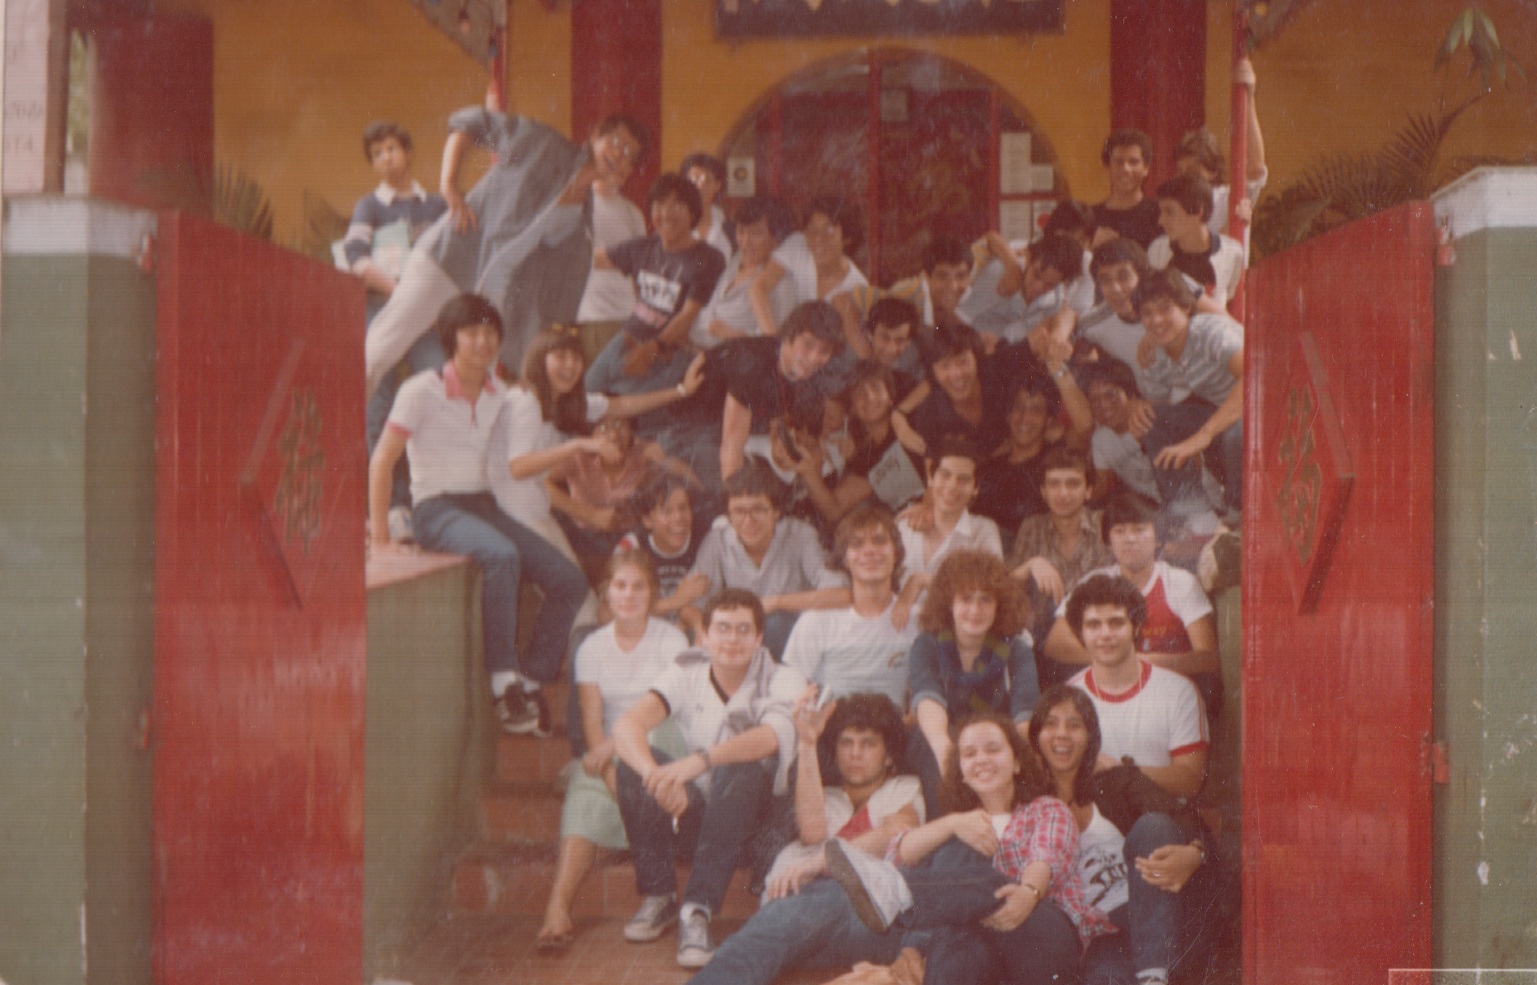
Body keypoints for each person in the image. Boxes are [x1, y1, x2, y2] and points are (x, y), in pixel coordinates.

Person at [485, 328, 708, 732]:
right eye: (559, 356)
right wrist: (579, 446)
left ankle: (534, 685)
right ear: (539, 359)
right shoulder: (526, 402)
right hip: (514, 517)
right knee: (578, 598)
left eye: (575, 358)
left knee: (584, 604)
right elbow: (518, 467)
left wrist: (680, 390)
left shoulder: (562, 404)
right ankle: (531, 688)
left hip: (537, 514)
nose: (569, 365)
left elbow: (621, 404)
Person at [368, 295, 556, 736]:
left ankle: (529, 682)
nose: (483, 342)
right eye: (472, 332)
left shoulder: (501, 395)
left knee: (566, 579)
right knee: (502, 555)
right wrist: (380, 538)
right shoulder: (420, 390)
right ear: (451, 339)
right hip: (436, 508)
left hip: (484, 505)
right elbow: (382, 461)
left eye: (490, 333)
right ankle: (503, 686)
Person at [364, 110, 649, 395]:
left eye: (629, 155)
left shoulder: (580, 222)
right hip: (452, 257)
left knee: (474, 393)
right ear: (596, 135)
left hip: (491, 299)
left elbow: (555, 296)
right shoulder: (543, 143)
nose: (619, 155)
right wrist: (449, 185)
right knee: (378, 352)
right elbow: (470, 122)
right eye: (615, 142)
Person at [823, 711, 1114, 985]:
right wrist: (952, 823)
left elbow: (1047, 859)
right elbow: (900, 852)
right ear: (961, 770)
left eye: (993, 749)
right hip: (981, 943)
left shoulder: (1046, 809)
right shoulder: (959, 827)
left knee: (989, 884)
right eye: (970, 754)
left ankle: (899, 888)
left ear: (1016, 762)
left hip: (1044, 933)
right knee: (958, 927)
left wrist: (1028, 891)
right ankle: (897, 889)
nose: (982, 759)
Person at [613, 588, 804, 968]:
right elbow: (627, 725)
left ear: (759, 637)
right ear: (704, 635)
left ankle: (697, 910)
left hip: (757, 826)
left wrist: (699, 762)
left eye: (743, 630)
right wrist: (658, 780)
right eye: (722, 628)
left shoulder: (784, 677)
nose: (732, 639)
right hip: (704, 818)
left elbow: (769, 738)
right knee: (633, 765)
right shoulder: (687, 670)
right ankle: (660, 896)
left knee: (740, 763)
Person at [683, 691, 923, 985]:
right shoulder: (825, 797)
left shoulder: (903, 789)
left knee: (826, 895)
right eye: (846, 743)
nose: (855, 753)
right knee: (778, 927)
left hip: (868, 920)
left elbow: (898, 829)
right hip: (801, 923)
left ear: (889, 756)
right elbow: (812, 831)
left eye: (868, 743)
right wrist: (807, 743)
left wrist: (822, 861)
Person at [536, 551, 691, 952]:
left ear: (653, 593)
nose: (629, 595)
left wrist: (611, 748)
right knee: (586, 791)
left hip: (659, 743)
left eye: (639, 586)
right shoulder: (592, 647)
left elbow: (664, 712)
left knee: (632, 749)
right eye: (620, 586)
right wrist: (609, 775)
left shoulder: (671, 640)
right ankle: (557, 907)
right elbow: (592, 722)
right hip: (612, 755)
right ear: (606, 591)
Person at [1032, 685, 1227, 985]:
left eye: (1074, 725)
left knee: (1153, 825)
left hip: (1156, 913)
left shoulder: (1117, 783)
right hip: (1103, 933)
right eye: (1051, 723)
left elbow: (1189, 822)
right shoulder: (1026, 806)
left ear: (1091, 737)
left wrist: (1195, 853)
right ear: (1036, 736)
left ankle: (1154, 974)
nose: (1062, 734)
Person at [351, 121, 452, 542]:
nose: (385, 159)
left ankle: (430, 498)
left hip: (427, 318)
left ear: (408, 152)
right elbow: (355, 256)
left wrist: (428, 302)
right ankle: (391, 507)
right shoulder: (370, 207)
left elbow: (455, 255)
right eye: (376, 154)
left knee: (437, 388)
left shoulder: (436, 206)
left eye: (391, 149)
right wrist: (401, 292)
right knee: (379, 405)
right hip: (384, 309)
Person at [1042, 493, 1222, 717]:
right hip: (1113, 689)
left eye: (1139, 530)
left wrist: (1141, 662)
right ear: (1109, 542)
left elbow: (1207, 658)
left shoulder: (1180, 582)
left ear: (1158, 538)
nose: (1129, 539)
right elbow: (1055, 644)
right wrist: (1113, 659)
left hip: (1167, 696)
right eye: (1119, 531)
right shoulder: (1095, 582)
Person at [584, 173, 727, 435]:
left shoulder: (708, 257)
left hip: (667, 351)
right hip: (626, 339)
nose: (666, 214)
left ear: (693, 212)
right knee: (584, 397)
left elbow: (687, 315)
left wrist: (652, 350)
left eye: (677, 205)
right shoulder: (643, 247)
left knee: (628, 417)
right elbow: (592, 259)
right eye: (659, 205)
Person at [906, 550, 1038, 819]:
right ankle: (946, 827)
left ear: (999, 604)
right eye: (966, 599)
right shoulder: (927, 645)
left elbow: (1023, 721)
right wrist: (954, 770)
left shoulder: (1016, 649)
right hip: (945, 749)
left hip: (997, 749)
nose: (975, 611)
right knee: (923, 739)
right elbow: (928, 707)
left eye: (985, 600)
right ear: (948, 602)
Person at [682, 461, 850, 656]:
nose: (748, 521)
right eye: (739, 511)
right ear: (728, 515)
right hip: (741, 639)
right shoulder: (718, 540)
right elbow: (689, 606)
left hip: (794, 641)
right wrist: (699, 627)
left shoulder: (800, 535)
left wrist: (776, 602)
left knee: (775, 622)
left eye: (758, 509)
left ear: (776, 511)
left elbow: (842, 595)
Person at [1064, 574, 1209, 799]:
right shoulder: (1068, 698)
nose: (1105, 634)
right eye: (1093, 625)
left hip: (1162, 815)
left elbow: (1190, 780)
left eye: (1116, 623)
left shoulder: (1179, 691)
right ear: (1079, 633)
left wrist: (1121, 773)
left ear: (1136, 627)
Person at [1134, 270, 1245, 527]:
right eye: (1147, 313)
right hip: (1223, 412)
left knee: (1236, 432)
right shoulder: (1154, 356)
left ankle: (1238, 513)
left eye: (1165, 309)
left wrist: (1203, 435)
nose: (1156, 320)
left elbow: (1253, 379)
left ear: (1185, 307)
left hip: (1264, 407)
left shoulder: (1210, 332)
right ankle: (1192, 514)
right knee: (1150, 420)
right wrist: (1137, 410)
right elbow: (1161, 412)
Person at [781, 504, 918, 706]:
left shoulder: (917, 619)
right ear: (844, 559)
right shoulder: (816, 621)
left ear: (896, 552)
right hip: (834, 722)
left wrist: (921, 580)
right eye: (857, 544)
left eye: (879, 541)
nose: (869, 551)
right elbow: (789, 683)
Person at [712, 299, 845, 482]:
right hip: (696, 426)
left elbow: (801, 431)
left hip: (746, 435)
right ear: (790, 335)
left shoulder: (815, 374)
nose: (814, 357)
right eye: (808, 345)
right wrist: (736, 499)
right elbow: (731, 445)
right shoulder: (753, 363)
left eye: (824, 350)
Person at [546, 414, 695, 573]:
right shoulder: (577, 456)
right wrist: (589, 514)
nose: (613, 435)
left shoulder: (643, 452)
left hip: (634, 537)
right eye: (603, 427)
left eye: (619, 425)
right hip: (585, 539)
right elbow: (540, 484)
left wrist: (665, 462)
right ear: (590, 434)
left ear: (631, 429)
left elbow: (690, 482)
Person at [1008, 446, 1113, 666]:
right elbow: (1006, 588)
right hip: (1044, 647)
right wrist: (1031, 565)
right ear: (1043, 492)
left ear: (1088, 491)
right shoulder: (1032, 528)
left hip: (1099, 637)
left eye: (1073, 484)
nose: (1063, 493)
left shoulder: (1105, 524)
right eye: (1054, 484)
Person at [974, 373, 1093, 547]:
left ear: (1049, 420)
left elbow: (1085, 426)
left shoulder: (1055, 462)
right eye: (1019, 407)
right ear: (1008, 415)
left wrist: (1057, 367)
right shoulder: (990, 466)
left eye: (1036, 410)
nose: (1025, 418)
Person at [896, 436, 1004, 608]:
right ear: (930, 478)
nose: (952, 486)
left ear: (976, 488)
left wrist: (922, 581)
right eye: (945, 475)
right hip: (898, 621)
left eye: (964, 479)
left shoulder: (982, 530)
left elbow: (991, 586)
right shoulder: (905, 524)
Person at [1175, 57, 1267, 248]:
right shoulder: (1173, 208)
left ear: (1212, 172)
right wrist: (1230, 226)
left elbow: (1255, 168)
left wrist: (1248, 99)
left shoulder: (1229, 198)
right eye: (1180, 170)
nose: (1185, 177)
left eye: (1192, 170)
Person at [750, 196, 869, 338]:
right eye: (812, 230)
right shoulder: (798, 245)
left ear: (847, 237)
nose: (818, 239)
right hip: (769, 338)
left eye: (829, 231)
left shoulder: (856, 285)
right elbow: (758, 288)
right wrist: (772, 341)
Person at [690, 196, 799, 347]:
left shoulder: (781, 282)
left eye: (755, 233)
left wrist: (735, 336)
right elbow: (709, 311)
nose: (745, 241)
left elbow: (776, 341)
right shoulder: (736, 260)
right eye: (741, 231)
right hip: (695, 346)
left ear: (777, 238)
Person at [573, 152, 647, 365]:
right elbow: (573, 258)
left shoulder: (633, 213)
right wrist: (623, 257)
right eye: (620, 161)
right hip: (594, 318)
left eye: (630, 164)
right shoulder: (578, 207)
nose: (626, 169)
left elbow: (641, 268)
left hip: (629, 320)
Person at [616, 475, 712, 623]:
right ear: (647, 520)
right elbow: (608, 612)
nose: (678, 517)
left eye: (683, 508)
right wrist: (674, 601)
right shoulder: (632, 546)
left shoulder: (707, 538)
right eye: (667, 511)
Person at [1146, 172, 1245, 306]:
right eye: (1161, 212)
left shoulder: (1232, 252)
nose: (1161, 220)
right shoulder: (1158, 250)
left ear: (1198, 211)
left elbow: (1230, 298)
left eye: (1169, 212)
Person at [1091, 128, 1162, 250]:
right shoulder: (1090, 217)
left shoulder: (1160, 214)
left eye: (1133, 162)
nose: (1126, 169)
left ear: (1146, 168)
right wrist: (1090, 248)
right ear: (1108, 167)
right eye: (1119, 162)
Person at [681, 151, 734, 259]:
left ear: (717, 185)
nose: (700, 186)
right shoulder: (672, 226)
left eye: (708, 180)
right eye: (694, 180)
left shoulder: (729, 230)